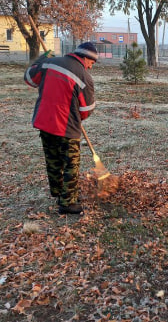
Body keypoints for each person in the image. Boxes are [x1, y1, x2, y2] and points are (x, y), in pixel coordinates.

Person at [24, 42, 98, 214]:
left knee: (53, 160)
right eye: (91, 63)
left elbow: (29, 78)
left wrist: (42, 58)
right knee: (71, 163)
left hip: (44, 121)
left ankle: (60, 193)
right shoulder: (83, 77)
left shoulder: (49, 63)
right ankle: (67, 203)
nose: (90, 67)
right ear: (85, 57)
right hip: (66, 127)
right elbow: (86, 109)